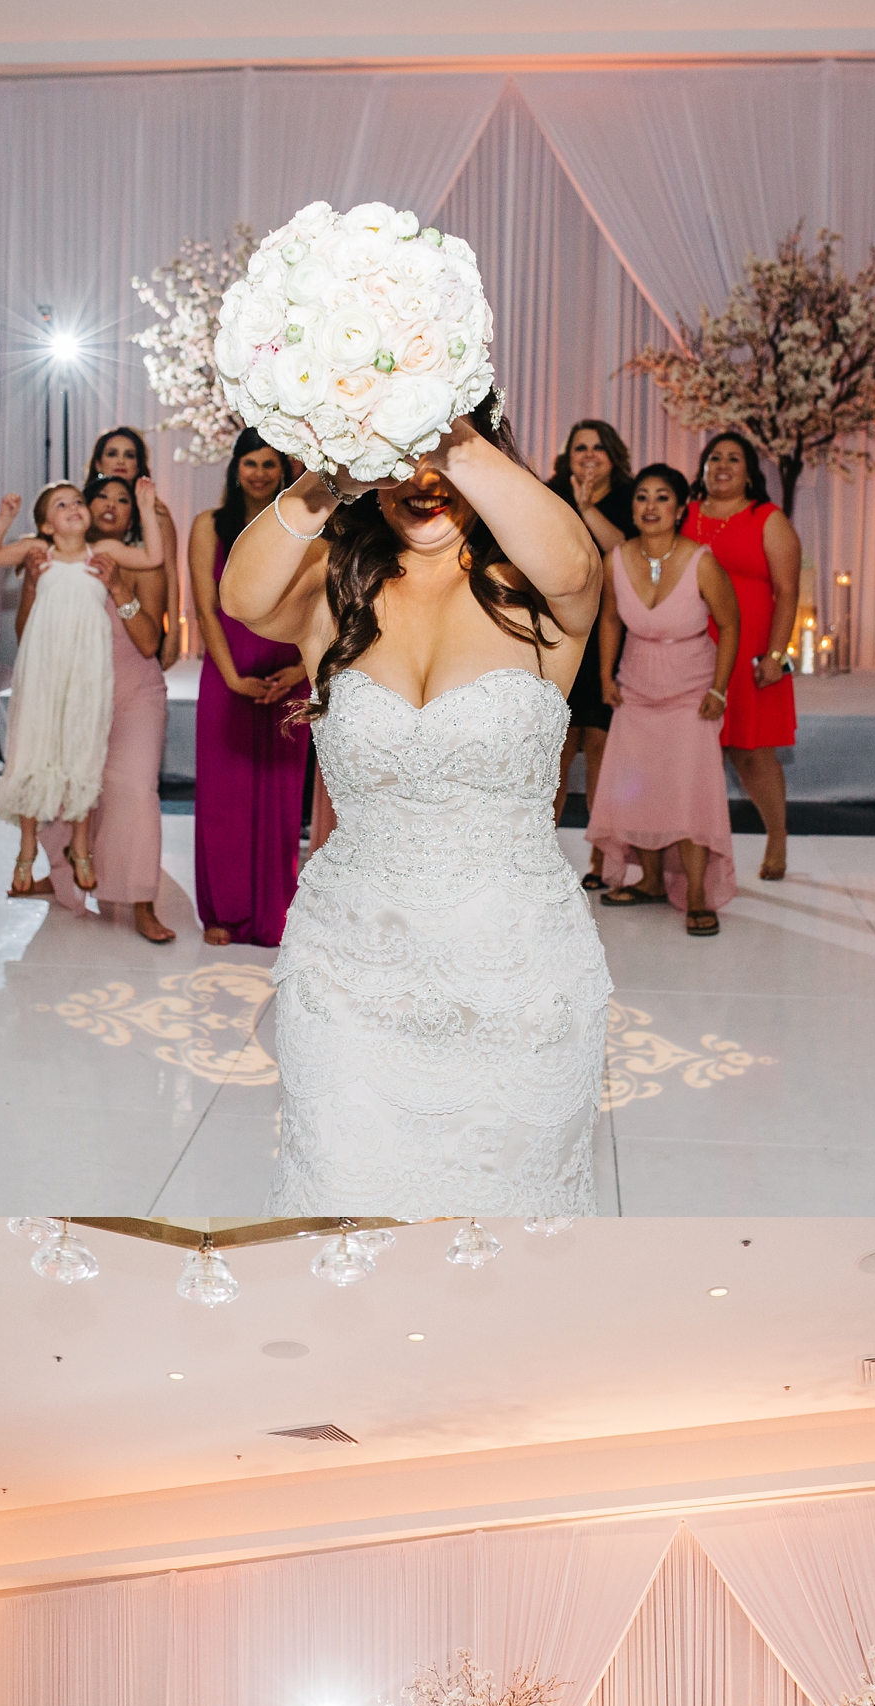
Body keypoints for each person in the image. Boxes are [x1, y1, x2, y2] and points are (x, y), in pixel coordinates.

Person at [223, 396, 610, 1219]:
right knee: (345, 1223)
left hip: (516, 980)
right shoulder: (335, 595)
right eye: (400, 461)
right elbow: (242, 598)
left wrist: (446, 426)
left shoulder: (544, 598)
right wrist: (329, 468)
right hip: (350, 976)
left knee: (504, 1244)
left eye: (442, 457)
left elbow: (578, 567)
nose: (423, 481)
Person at [0, 480, 164, 898]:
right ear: (46, 524)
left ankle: (81, 846)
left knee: (84, 750)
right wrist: (5, 518)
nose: (75, 507)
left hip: (86, 670)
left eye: (78, 501)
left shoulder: (105, 553)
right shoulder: (35, 553)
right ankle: (26, 848)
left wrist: (148, 508)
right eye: (62, 505)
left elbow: (154, 556)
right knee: (33, 749)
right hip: (43, 670)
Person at [590, 463, 741, 934]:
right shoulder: (615, 558)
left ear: (679, 509)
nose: (650, 506)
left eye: (661, 497)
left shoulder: (702, 560)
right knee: (643, 788)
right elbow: (611, 619)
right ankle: (652, 882)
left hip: (691, 693)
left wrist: (719, 688)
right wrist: (605, 676)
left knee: (690, 792)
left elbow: (731, 623)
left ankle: (697, 894)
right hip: (635, 689)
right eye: (641, 497)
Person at [190, 429, 312, 947]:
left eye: (268, 463)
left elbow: (318, 606)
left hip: (288, 677)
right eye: (249, 463)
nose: (259, 473)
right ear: (234, 468)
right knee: (225, 799)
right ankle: (223, 912)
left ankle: (272, 916)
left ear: (282, 469)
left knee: (281, 806)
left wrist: (301, 673)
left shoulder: (303, 527)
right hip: (228, 674)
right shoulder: (208, 527)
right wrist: (232, 676)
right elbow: (205, 608)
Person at [680, 430, 800, 884]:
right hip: (694, 650)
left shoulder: (767, 518)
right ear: (703, 467)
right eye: (714, 458)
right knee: (697, 753)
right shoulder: (684, 515)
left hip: (751, 653)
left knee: (751, 755)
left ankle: (777, 834)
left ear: (750, 472)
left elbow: (787, 592)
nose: (722, 465)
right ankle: (698, 850)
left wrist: (776, 654)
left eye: (733, 458)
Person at [547, 419, 638, 866]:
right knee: (557, 748)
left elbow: (622, 554)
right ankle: (540, 856)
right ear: (567, 456)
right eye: (579, 447)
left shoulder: (631, 497)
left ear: (613, 455)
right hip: (561, 634)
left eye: (598, 447)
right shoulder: (549, 495)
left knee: (602, 744)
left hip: (613, 639)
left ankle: (603, 860)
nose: (588, 455)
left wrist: (587, 509)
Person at [85, 426, 184, 667]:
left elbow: (170, 572)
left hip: (138, 625)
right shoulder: (83, 508)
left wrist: (172, 636)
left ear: (139, 465)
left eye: (129, 455)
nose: (120, 460)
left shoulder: (156, 515)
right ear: (98, 463)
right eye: (112, 453)